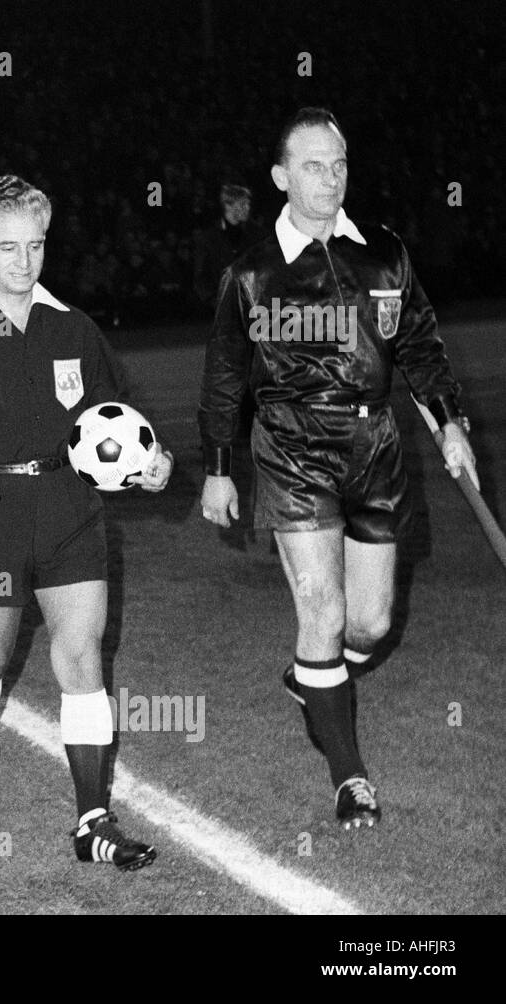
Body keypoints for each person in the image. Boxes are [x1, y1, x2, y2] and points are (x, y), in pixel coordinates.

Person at [198, 108, 478, 829]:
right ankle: (350, 776)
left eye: (340, 164)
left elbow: (419, 345)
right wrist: (221, 465)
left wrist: (450, 424)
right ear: (281, 177)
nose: (330, 179)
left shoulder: (384, 253)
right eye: (314, 166)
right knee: (320, 607)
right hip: (293, 446)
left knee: (371, 624)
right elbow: (226, 376)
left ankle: (307, 675)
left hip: (377, 445)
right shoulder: (253, 274)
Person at [0, 176, 173, 872]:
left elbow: (119, 415)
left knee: (81, 658)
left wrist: (153, 461)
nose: (22, 261)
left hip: (70, 512)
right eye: (6, 246)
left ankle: (91, 821)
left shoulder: (73, 327)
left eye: (35, 245)